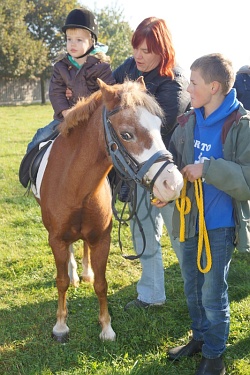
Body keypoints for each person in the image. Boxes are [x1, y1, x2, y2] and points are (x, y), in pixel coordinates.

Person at [166, 53, 250, 375]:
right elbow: (173, 162)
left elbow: (246, 181)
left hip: (219, 225)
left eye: (194, 82)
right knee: (192, 287)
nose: (188, 87)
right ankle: (200, 339)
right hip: (189, 222)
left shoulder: (241, 125)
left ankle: (215, 356)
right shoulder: (189, 120)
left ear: (214, 86)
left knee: (213, 293)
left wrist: (208, 169)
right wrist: (167, 192)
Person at [112, 17, 191, 310]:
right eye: (136, 48)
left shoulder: (175, 81)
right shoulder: (129, 69)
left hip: (171, 170)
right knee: (143, 230)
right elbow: (109, 94)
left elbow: (161, 130)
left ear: (162, 49)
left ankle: (195, 291)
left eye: (146, 49)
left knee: (180, 234)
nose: (139, 55)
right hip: (140, 172)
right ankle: (151, 294)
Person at [26, 7, 115, 153]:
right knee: (39, 137)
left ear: (92, 41)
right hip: (65, 118)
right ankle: (29, 172)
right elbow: (56, 92)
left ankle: (114, 175)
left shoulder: (101, 67)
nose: (72, 44)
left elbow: (107, 94)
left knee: (110, 149)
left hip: (93, 120)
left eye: (79, 40)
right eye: (69, 39)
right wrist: (65, 112)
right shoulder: (61, 66)